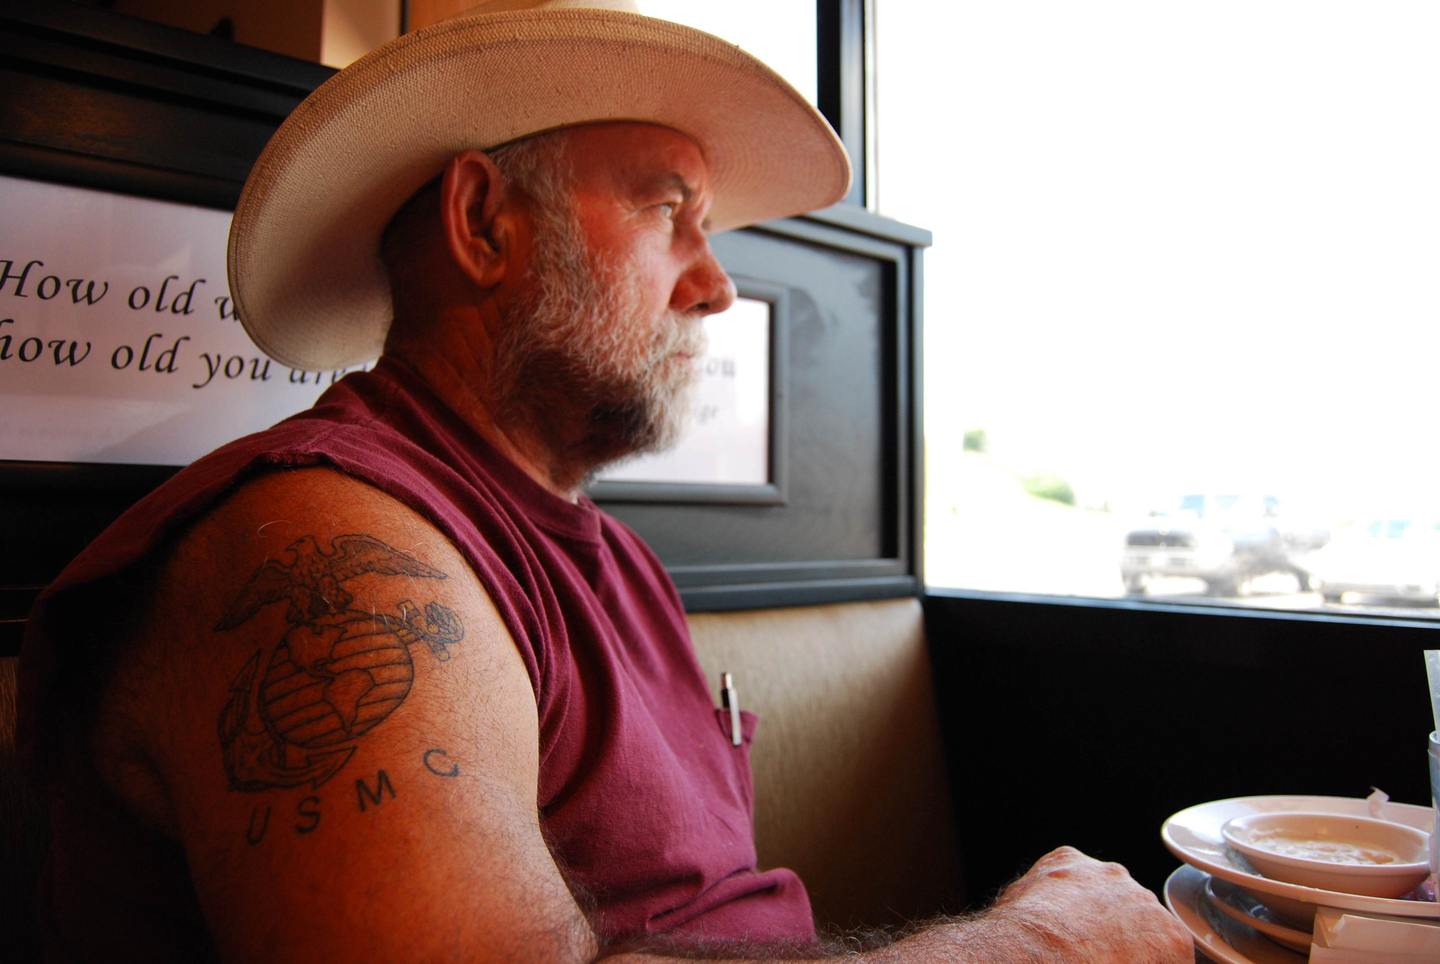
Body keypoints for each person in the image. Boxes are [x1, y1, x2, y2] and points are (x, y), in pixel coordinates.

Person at [18, 2, 1193, 961]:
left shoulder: (612, 558)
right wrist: (1039, 944)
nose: (718, 287)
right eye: (670, 210)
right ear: (485, 223)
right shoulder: (328, 546)